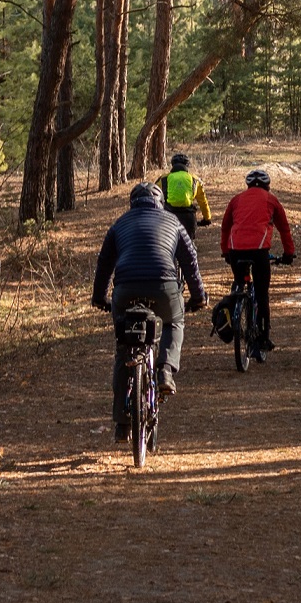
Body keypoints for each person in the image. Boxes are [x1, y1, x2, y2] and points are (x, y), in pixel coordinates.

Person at [93, 182, 205, 441]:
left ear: (132, 203)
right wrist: (198, 297)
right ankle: (165, 369)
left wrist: (99, 298)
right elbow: (190, 261)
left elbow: (104, 264)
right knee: (174, 321)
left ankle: (122, 426)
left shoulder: (119, 224)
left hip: (126, 288)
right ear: (161, 202)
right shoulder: (173, 222)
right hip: (163, 285)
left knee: (124, 350)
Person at [219, 168, 297, 359]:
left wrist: (225, 251)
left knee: (238, 284)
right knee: (261, 293)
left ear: (247, 185)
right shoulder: (271, 200)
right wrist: (289, 254)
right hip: (259, 251)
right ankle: (263, 338)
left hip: (235, 249)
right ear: (267, 185)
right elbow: (284, 229)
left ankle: (232, 313)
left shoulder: (236, 199)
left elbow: (225, 227)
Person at [155, 153, 212, 239]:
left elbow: (153, 197)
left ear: (173, 164)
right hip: (188, 218)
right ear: (187, 165)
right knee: (189, 247)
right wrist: (207, 218)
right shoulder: (195, 179)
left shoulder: (163, 178)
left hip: (169, 217)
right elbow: (203, 201)